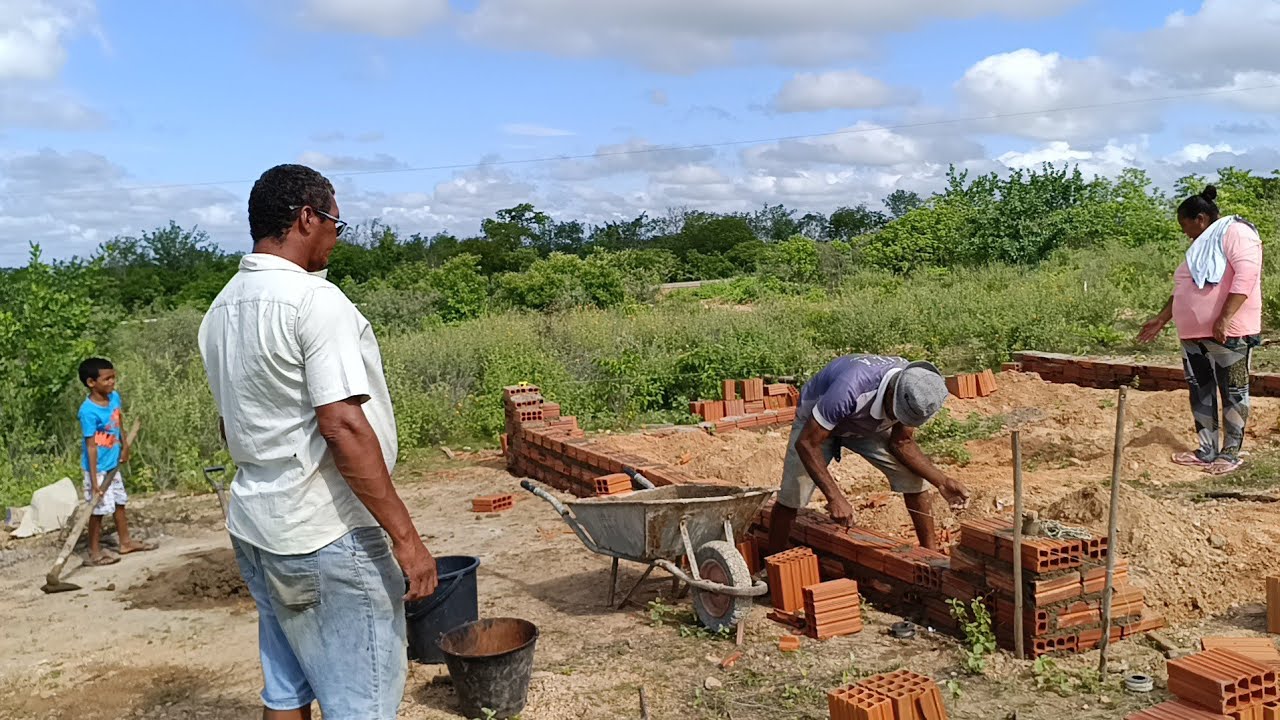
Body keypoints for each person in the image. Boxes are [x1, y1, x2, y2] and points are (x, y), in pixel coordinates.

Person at [198, 164, 438, 720]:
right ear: (307, 218)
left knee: (287, 687)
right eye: (335, 222)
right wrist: (407, 539)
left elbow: (230, 425)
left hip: (258, 529)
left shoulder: (220, 309)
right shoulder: (314, 301)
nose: (336, 236)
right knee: (362, 702)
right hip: (324, 534)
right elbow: (343, 427)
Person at [768, 354, 970, 554]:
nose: (902, 419)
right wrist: (835, 497)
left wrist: (942, 482)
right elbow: (807, 443)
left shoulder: (915, 388)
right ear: (891, 394)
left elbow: (902, 442)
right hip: (815, 425)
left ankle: (930, 554)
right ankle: (771, 561)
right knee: (791, 497)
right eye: (900, 414)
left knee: (913, 479)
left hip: (863, 425)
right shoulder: (850, 389)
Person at [1138, 184, 1263, 475]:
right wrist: (1161, 319)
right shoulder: (1200, 247)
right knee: (1200, 391)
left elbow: (1246, 276)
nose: (1185, 232)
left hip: (1229, 334)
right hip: (1194, 337)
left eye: (1185, 225)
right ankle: (1207, 450)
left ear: (1201, 218)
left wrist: (1224, 318)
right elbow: (1183, 288)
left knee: (1233, 391)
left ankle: (1230, 453)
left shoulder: (1237, 232)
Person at [76, 357, 155, 565]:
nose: (112, 382)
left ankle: (125, 542)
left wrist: (125, 445)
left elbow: (118, 421)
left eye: (113, 377)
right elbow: (91, 446)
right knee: (98, 510)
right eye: (106, 379)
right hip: (97, 468)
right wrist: (94, 481)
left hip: (113, 463)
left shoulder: (114, 398)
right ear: (91, 382)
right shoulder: (88, 412)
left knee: (120, 502)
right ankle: (94, 551)